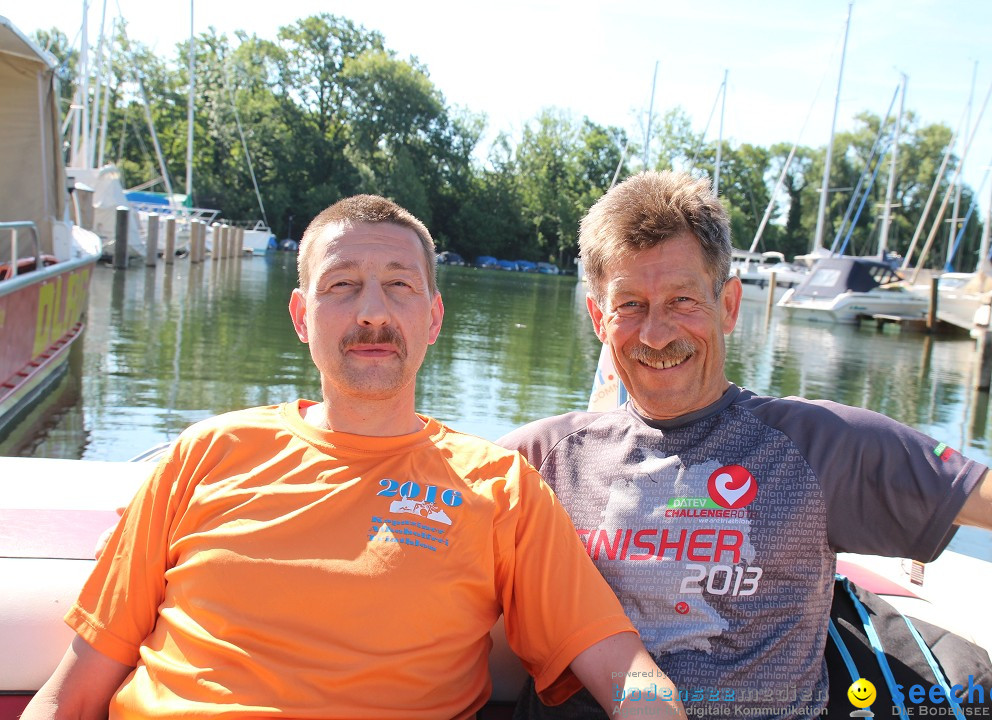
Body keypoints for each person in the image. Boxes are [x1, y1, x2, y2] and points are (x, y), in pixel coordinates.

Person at [23, 195, 685, 720]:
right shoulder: (206, 455)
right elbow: (72, 691)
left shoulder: (499, 488)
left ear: (432, 318)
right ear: (301, 315)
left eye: (399, 286)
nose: (372, 311)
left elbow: (627, 672)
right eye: (342, 286)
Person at [499, 171, 992, 719]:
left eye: (682, 299)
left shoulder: (819, 446)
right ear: (600, 319)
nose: (655, 333)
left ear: (728, 305)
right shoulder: (544, 458)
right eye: (631, 306)